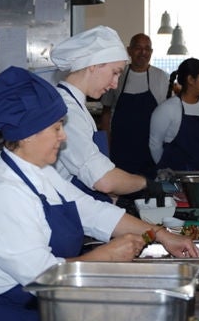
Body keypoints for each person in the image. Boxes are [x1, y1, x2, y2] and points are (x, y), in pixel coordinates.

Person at [0, 67, 199, 321]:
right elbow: (42, 275)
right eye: (56, 128)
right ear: (27, 134)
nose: (63, 137)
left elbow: (91, 211)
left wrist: (161, 235)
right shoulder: (1, 194)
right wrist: (106, 256)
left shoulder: (40, 172)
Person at [50, 26, 149, 200]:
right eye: (115, 72)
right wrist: (147, 183)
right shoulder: (67, 111)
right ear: (94, 66)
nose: (115, 84)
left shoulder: (77, 106)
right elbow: (102, 179)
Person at [99, 33, 170, 176]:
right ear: (129, 50)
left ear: (151, 52)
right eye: (138, 48)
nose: (143, 52)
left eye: (147, 48)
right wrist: (106, 148)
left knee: (149, 191)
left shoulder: (161, 77)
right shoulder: (117, 74)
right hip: (120, 150)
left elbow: (167, 118)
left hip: (150, 150)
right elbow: (106, 113)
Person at [149, 58, 199, 171]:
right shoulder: (167, 109)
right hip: (178, 181)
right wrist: (165, 171)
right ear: (191, 80)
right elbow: (154, 145)